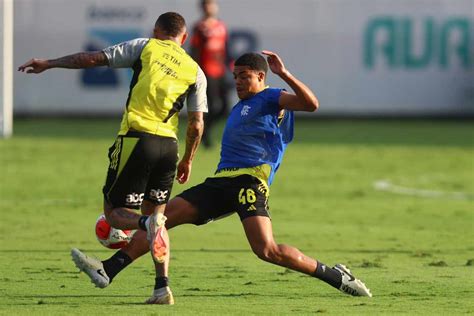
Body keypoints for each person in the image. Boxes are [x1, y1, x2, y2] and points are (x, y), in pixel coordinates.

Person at [69, 50, 372, 304]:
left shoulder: (272, 98)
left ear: (261, 76)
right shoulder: (241, 106)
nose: (238, 81)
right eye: (236, 76)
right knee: (161, 220)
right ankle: (109, 270)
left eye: (245, 76)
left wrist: (285, 73)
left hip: (249, 184)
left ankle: (336, 275)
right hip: (219, 182)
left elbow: (311, 105)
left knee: (267, 250)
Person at [18, 12, 208, 304]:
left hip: (137, 140)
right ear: (184, 38)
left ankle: (145, 223)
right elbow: (196, 124)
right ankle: (161, 287)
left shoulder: (146, 46)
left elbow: (92, 59)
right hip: (169, 148)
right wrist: (189, 160)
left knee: (114, 213)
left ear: (157, 31)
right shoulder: (195, 70)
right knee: (159, 218)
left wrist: (50, 63)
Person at [190, 0, 231, 148]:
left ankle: (205, 130)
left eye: (212, 4)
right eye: (207, 4)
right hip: (206, 71)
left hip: (220, 72)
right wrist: (195, 71)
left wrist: (231, 68)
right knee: (212, 106)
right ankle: (204, 137)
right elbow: (194, 51)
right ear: (202, 8)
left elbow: (227, 50)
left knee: (225, 108)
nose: (210, 7)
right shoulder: (199, 28)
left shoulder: (221, 26)